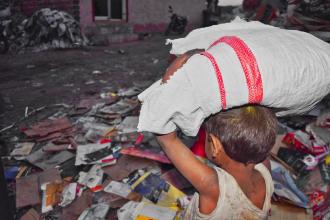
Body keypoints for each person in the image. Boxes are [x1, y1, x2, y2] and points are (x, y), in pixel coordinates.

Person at [156, 52, 277, 220]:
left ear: (215, 145)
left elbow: (166, 138)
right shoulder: (265, 171)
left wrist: (183, 59)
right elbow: (258, 120)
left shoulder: (213, 186)